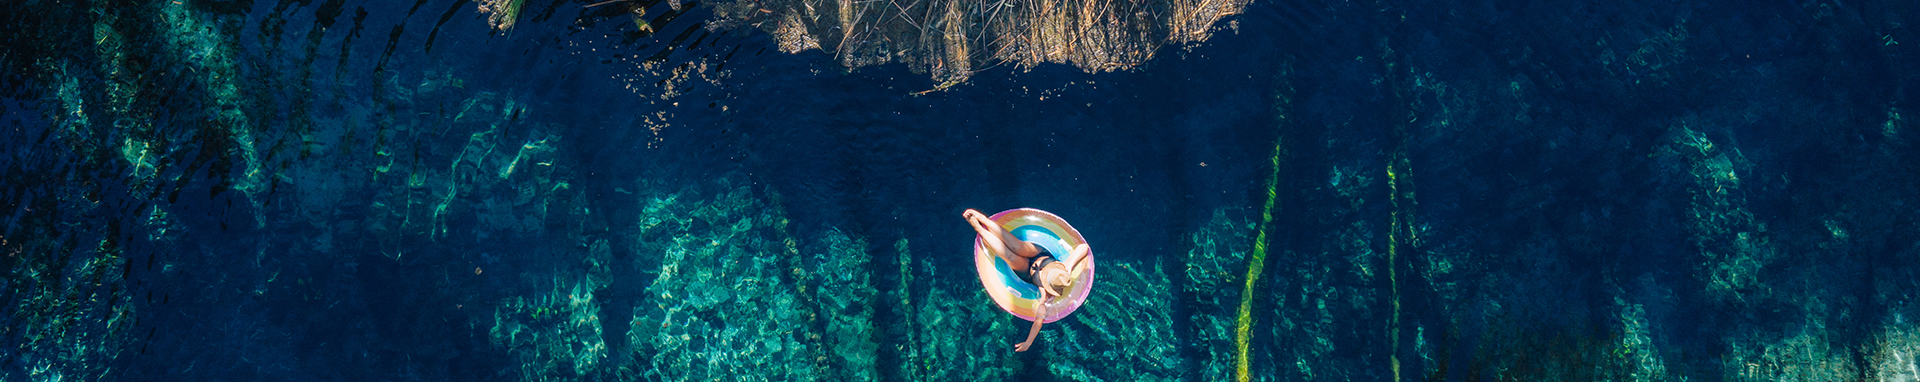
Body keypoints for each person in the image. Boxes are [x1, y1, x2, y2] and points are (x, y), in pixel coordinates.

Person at [963, 208, 1091, 352]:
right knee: (1017, 246)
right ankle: (984, 219)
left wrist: (1028, 343)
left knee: (1010, 257)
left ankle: (979, 228)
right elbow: (1084, 247)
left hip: (1027, 272)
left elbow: (1038, 321)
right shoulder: (1065, 269)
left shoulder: (1046, 295)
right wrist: (1068, 268)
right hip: (1039, 254)